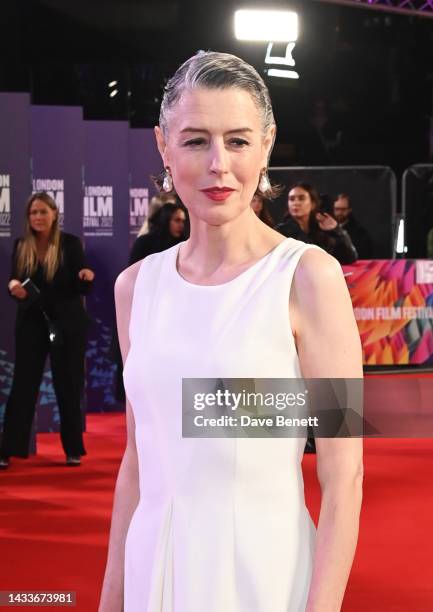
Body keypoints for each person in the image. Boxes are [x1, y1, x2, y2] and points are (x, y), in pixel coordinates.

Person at [99, 51, 363, 612]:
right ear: (162, 147)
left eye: (238, 141)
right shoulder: (134, 288)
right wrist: (112, 597)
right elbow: (138, 461)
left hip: (260, 577)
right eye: (195, 141)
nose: (219, 164)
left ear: (266, 145)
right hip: (155, 572)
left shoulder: (309, 277)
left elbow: (344, 478)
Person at [0, 192, 94, 469]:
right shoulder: (21, 245)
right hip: (32, 323)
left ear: (54, 214)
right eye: (33, 213)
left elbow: (82, 283)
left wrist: (86, 277)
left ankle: (73, 449)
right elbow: (14, 280)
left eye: (43, 212)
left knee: (68, 385)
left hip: (67, 324)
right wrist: (13, 288)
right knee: (23, 386)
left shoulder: (70, 244)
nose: (38, 217)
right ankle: (8, 449)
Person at [276, 182, 358, 265]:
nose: (296, 203)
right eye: (292, 199)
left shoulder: (321, 230)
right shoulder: (281, 232)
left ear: (313, 204)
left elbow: (350, 258)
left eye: (301, 198)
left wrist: (336, 230)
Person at [333, 193, 373, 259]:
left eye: (343, 209)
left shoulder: (359, 232)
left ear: (349, 210)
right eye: (337, 209)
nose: (340, 212)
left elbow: (364, 254)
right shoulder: (324, 229)